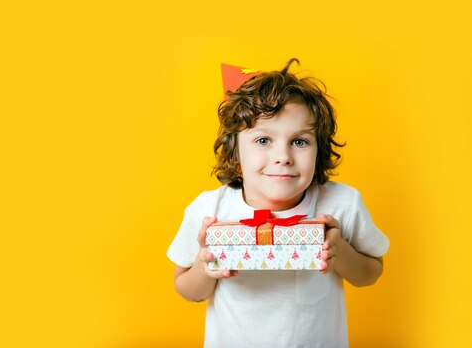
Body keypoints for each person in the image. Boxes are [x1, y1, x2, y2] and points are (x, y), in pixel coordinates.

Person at [167, 59, 389, 348]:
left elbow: (370, 274)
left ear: (318, 149)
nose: (283, 156)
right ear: (235, 152)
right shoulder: (208, 210)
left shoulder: (342, 203)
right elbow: (187, 289)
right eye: (263, 141)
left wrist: (340, 254)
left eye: (299, 142)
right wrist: (203, 267)